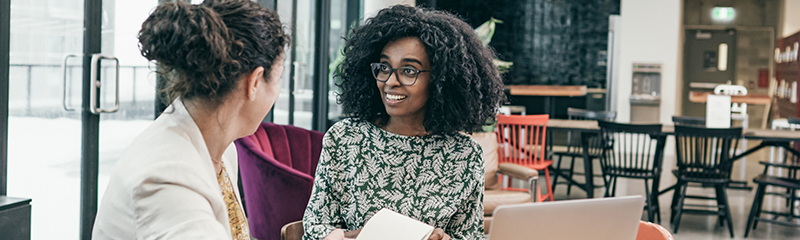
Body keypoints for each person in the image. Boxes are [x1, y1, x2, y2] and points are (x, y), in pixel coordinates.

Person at [302, 5, 504, 240]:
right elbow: (315, 227)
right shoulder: (345, 139)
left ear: (441, 80)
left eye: (408, 71)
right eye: (384, 67)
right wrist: (354, 236)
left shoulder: (465, 155)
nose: (390, 82)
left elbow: (470, 236)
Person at [92, 0, 288, 239]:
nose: (277, 91)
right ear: (255, 82)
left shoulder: (221, 148)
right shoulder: (167, 178)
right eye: (278, 78)